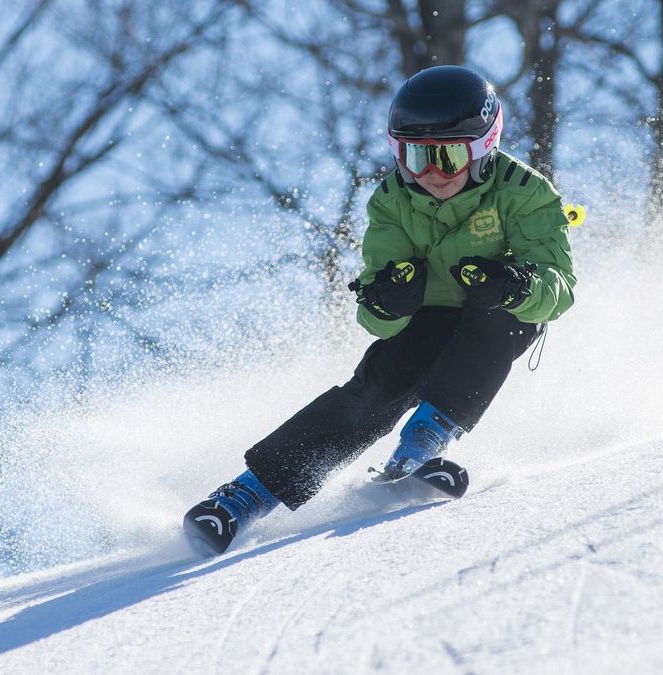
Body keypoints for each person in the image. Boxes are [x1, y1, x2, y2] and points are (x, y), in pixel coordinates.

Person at [183, 65, 576, 554]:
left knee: (506, 322)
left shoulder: (525, 191)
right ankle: (244, 497)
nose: (430, 174)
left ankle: (419, 448)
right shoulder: (392, 200)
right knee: (377, 388)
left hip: (494, 313)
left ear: (483, 148)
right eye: (414, 157)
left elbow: (559, 290)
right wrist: (388, 301)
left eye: (448, 156)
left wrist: (515, 285)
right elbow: (374, 315)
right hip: (427, 318)